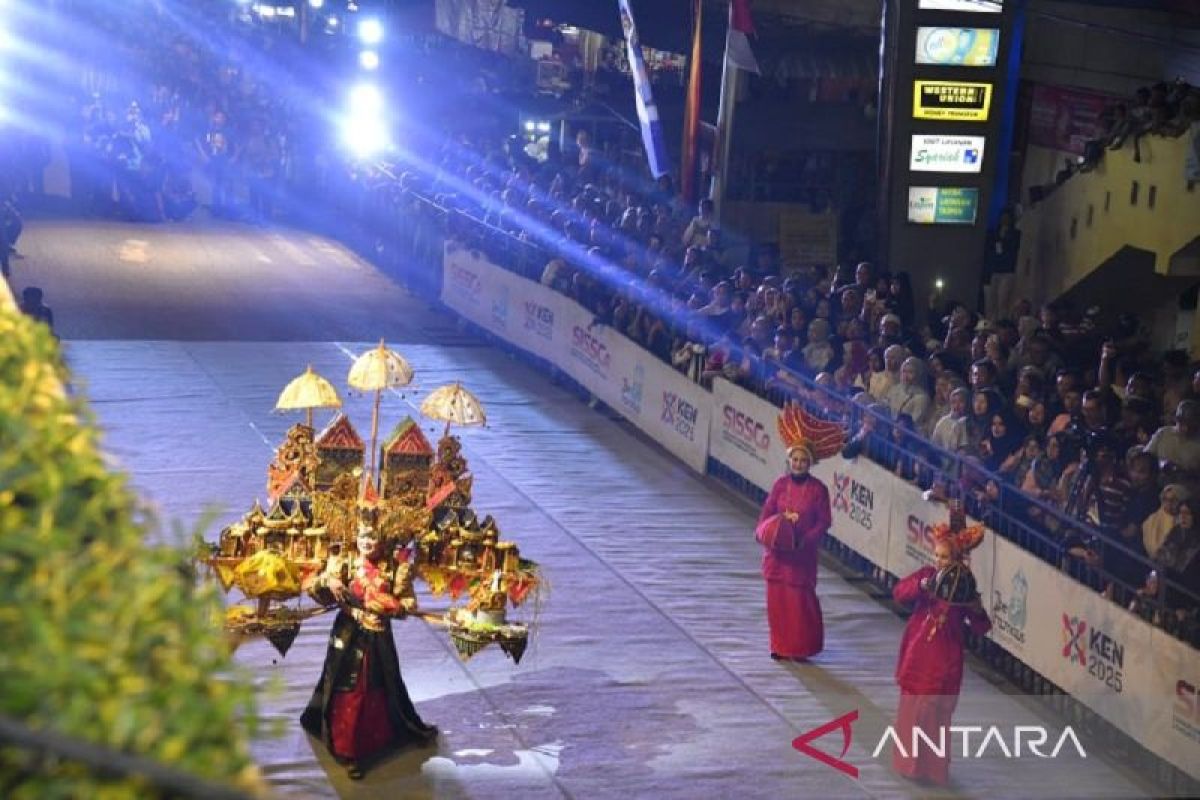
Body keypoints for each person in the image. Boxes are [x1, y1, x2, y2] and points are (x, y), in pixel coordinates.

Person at [301, 523, 438, 779]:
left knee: (381, 682)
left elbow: (408, 602)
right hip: (348, 634)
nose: (367, 541)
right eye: (363, 535)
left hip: (379, 636)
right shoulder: (344, 561)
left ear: (383, 540)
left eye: (373, 537)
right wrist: (329, 581)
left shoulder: (395, 567)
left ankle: (380, 737)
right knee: (348, 686)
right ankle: (348, 751)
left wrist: (393, 607)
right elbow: (313, 586)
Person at [892, 514, 991, 786]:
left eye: (944, 557)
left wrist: (976, 609)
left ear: (956, 558)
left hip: (944, 658)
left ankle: (931, 769)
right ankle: (910, 766)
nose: (938, 561)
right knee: (912, 709)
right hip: (917, 651)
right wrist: (921, 586)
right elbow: (899, 593)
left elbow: (982, 627)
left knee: (933, 712)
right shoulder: (927, 575)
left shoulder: (965, 586)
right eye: (936, 555)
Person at [756, 404, 841, 661]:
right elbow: (767, 511)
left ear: (810, 463)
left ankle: (800, 648)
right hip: (777, 554)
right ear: (789, 460)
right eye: (795, 460)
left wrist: (805, 540)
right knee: (777, 602)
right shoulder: (780, 485)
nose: (799, 464)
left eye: (804, 461)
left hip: (802, 556)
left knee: (798, 604)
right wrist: (761, 532)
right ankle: (778, 645)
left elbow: (824, 521)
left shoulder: (818, 489)